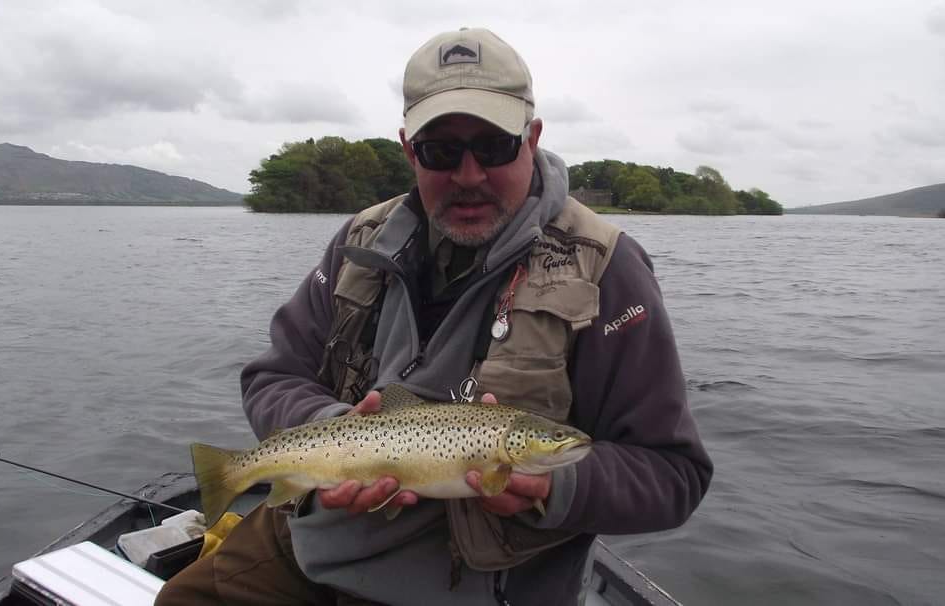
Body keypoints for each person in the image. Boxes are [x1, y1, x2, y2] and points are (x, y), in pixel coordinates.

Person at [157, 26, 712, 606]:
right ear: (408, 149)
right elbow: (273, 377)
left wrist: (556, 482)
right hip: (315, 535)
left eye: (494, 145)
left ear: (533, 137)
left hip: (468, 586)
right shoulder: (360, 240)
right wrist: (337, 429)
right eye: (441, 151)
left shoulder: (607, 268)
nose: (468, 175)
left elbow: (674, 476)